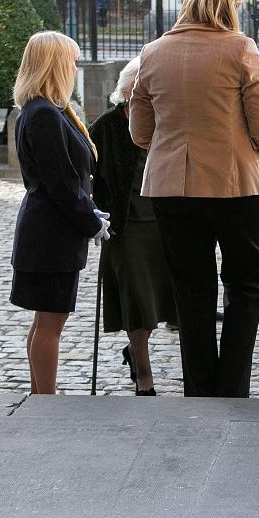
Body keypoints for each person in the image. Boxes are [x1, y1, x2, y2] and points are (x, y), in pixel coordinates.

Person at [129, 0, 259, 398]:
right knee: (245, 285)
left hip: (171, 187)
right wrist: (253, 156)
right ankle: (232, 385)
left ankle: (199, 386)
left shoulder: (154, 51)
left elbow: (140, 132)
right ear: (230, 4)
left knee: (190, 289)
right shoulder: (239, 48)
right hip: (235, 184)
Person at [10, 31, 109, 395]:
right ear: (54, 65)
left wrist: (91, 210)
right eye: (71, 60)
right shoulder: (44, 115)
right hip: (51, 231)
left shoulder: (46, 110)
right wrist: (91, 221)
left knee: (46, 319)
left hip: (51, 228)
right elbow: (62, 182)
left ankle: (40, 396)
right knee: (51, 321)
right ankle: (45, 400)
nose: (74, 67)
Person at [89, 57, 177, 396]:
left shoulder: (166, 121)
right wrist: (95, 213)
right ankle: (143, 370)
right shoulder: (106, 126)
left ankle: (136, 350)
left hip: (163, 222)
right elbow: (90, 175)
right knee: (137, 302)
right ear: (127, 90)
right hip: (124, 226)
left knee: (157, 303)